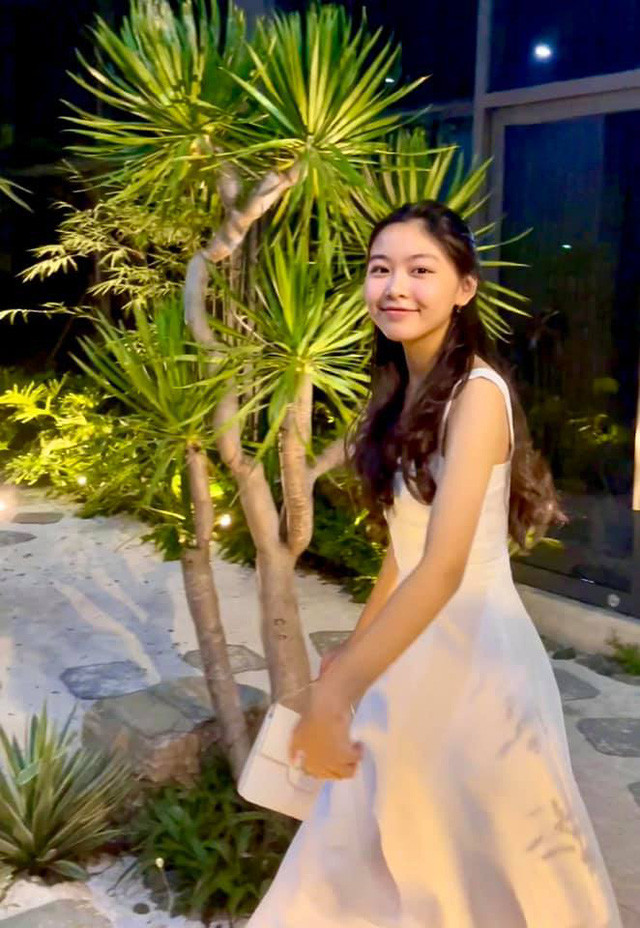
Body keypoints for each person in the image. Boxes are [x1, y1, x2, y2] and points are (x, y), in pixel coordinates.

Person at [246, 200, 623, 927]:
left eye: (421, 270)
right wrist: (355, 652)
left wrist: (336, 695)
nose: (395, 287)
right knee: (365, 855)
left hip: (474, 663)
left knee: (483, 869)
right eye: (380, 269)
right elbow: (404, 548)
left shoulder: (478, 395)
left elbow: (444, 567)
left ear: (464, 288)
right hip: (412, 650)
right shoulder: (401, 388)